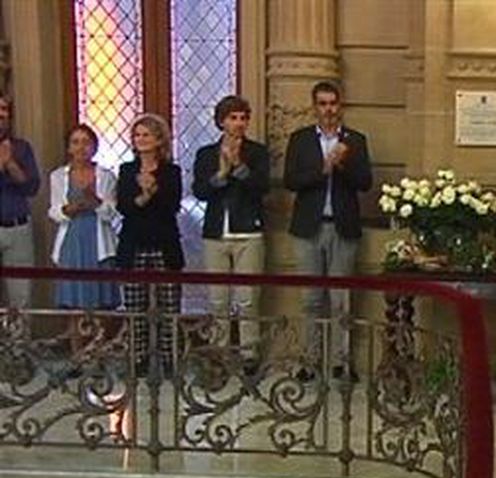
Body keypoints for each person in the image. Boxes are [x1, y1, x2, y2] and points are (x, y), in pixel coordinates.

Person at [284, 80, 373, 380]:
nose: (328, 110)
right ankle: (309, 361)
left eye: (333, 103)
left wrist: (343, 163)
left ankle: (342, 362)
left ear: (340, 106)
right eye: (322, 104)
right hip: (309, 227)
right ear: (315, 107)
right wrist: (322, 169)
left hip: (342, 226)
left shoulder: (356, 140)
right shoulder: (300, 140)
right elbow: (290, 181)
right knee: (311, 298)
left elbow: (365, 183)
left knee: (341, 298)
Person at [193, 95, 270, 355]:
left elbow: (262, 187)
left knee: (247, 300)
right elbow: (200, 191)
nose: (239, 123)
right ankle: (219, 353)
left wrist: (238, 166)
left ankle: (249, 354)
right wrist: (221, 175)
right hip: (215, 233)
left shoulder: (257, 152)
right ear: (221, 121)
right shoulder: (206, 154)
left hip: (248, 231)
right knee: (218, 300)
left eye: (243, 118)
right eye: (233, 118)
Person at [116, 113, 184, 374]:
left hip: (164, 244)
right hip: (134, 244)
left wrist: (154, 191)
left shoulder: (171, 172)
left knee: (169, 307)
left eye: (146, 134)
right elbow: (125, 207)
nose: (141, 139)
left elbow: (172, 206)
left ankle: (170, 360)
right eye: (137, 135)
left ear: (159, 140)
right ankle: (138, 359)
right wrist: (144, 196)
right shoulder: (127, 171)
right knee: (136, 308)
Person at [48, 124, 120, 316]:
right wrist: (69, 209)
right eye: (76, 142)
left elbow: (111, 213)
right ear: (69, 148)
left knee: (101, 302)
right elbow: (54, 212)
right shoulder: (58, 176)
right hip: (72, 241)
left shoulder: (106, 176)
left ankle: (101, 345)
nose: (81, 147)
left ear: (94, 147)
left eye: (86, 142)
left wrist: (96, 202)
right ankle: (76, 346)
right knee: (73, 303)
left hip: (99, 243)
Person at [0, 94, 40, 307]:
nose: (0, 115)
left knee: (20, 298)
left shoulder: (22, 148)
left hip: (18, 229)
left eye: (4, 109)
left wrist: (10, 164)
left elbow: (32, 187)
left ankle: (18, 341)